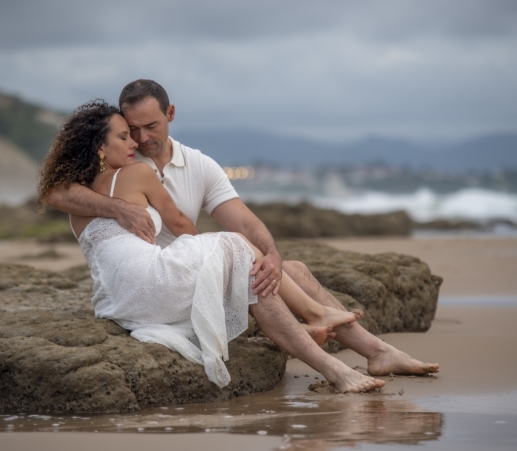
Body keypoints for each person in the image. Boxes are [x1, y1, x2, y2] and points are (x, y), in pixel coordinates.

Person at [47, 80, 439, 383]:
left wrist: (270, 254)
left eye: (151, 126)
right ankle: (332, 357)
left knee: (287, 269)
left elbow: (244, 220)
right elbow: (57, 192)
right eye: (131, 131)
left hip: (169, 274)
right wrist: (124, 211)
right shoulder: (121, 174)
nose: (141, 138)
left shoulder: (199, 166)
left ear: (171, 113)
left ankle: (377, 350)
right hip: (168, 277)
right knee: (250, 270)